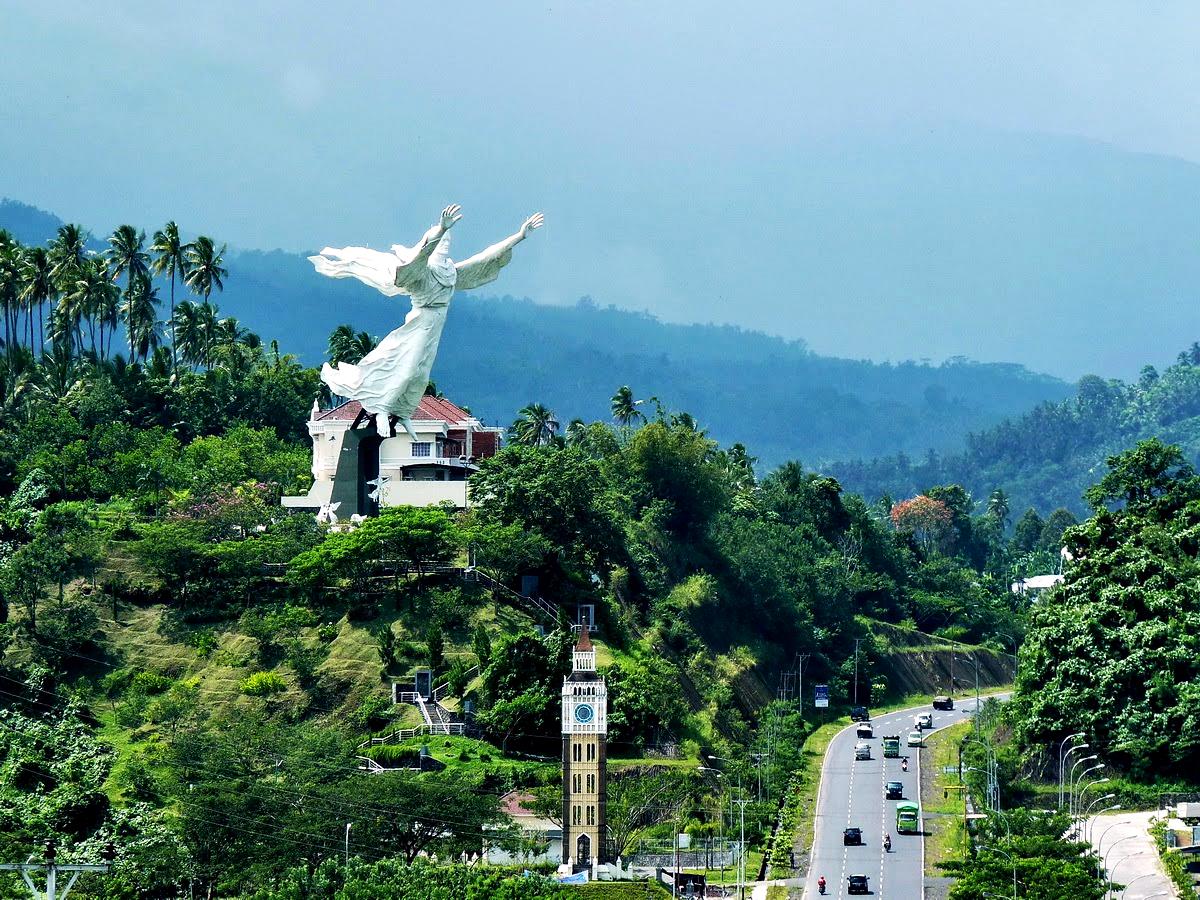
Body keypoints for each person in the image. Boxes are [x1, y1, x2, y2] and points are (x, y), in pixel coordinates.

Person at [310, 205, 544, 439]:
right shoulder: (422, 270)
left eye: (447, 242)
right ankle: (381, 408)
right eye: (442, 242)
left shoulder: (452, 272)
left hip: (435, 325)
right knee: (406, 367)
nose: (445, 246)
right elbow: (424, 250)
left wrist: (520, 235)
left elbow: (487, 256)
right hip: (420, 323)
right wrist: (441, 228)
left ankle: (401, 413)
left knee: (420, 374)